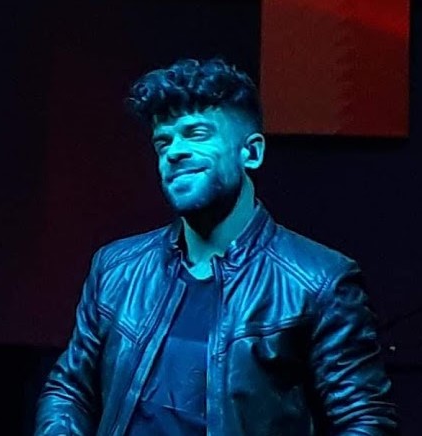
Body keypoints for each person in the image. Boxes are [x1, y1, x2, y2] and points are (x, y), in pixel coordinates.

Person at [35, 58, 398, 435]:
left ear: (251, 153)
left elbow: (365, 421)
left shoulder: (319, 281)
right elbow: (69, 388)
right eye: (163, 142)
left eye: (196, 134)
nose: (174, 152)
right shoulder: (116, 268)